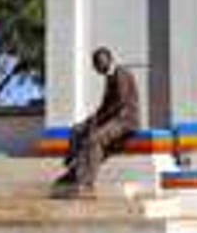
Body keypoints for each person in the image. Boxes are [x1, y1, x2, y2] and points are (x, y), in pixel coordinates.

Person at [54, 47, 140, 198]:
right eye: (95, 63)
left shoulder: (121, 73)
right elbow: (105, 106)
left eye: (99, 62)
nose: (97, 66)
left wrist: (98, 122)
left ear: (109, 59)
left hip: (125, 121)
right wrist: (90, 121)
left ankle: (87, 184)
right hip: (112, 119)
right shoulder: (109, 77)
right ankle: (74, 171)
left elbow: (120, 104)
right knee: (77, 130)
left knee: (94, 140)